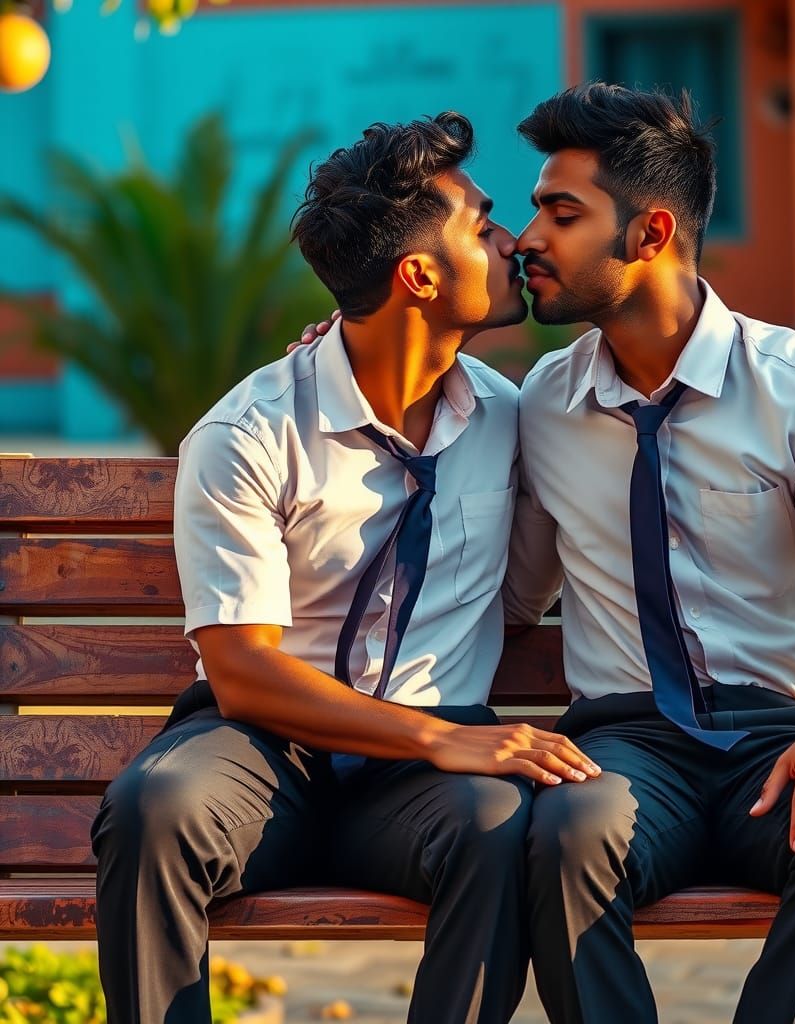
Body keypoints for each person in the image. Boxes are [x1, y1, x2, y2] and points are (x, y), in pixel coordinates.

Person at [90, 111, 599, 1024]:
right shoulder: (251, 431)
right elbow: (241, 671)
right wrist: (442, 738)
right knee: (154, 805)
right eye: (481, 225)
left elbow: (524, 592)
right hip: (263, 751)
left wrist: (443, 731)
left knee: (493, 825)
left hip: (418, 782)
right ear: (419, 275)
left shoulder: (513, 418)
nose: (509, 242)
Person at [499, 83, 795, 1024]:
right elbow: (509, 598)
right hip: (626, 748)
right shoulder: (541, 402)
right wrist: (347, 346)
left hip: (776, 740)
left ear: (651, 234)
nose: (530, 237)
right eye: (535, 211)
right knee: (569, 831)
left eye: (561, 212)